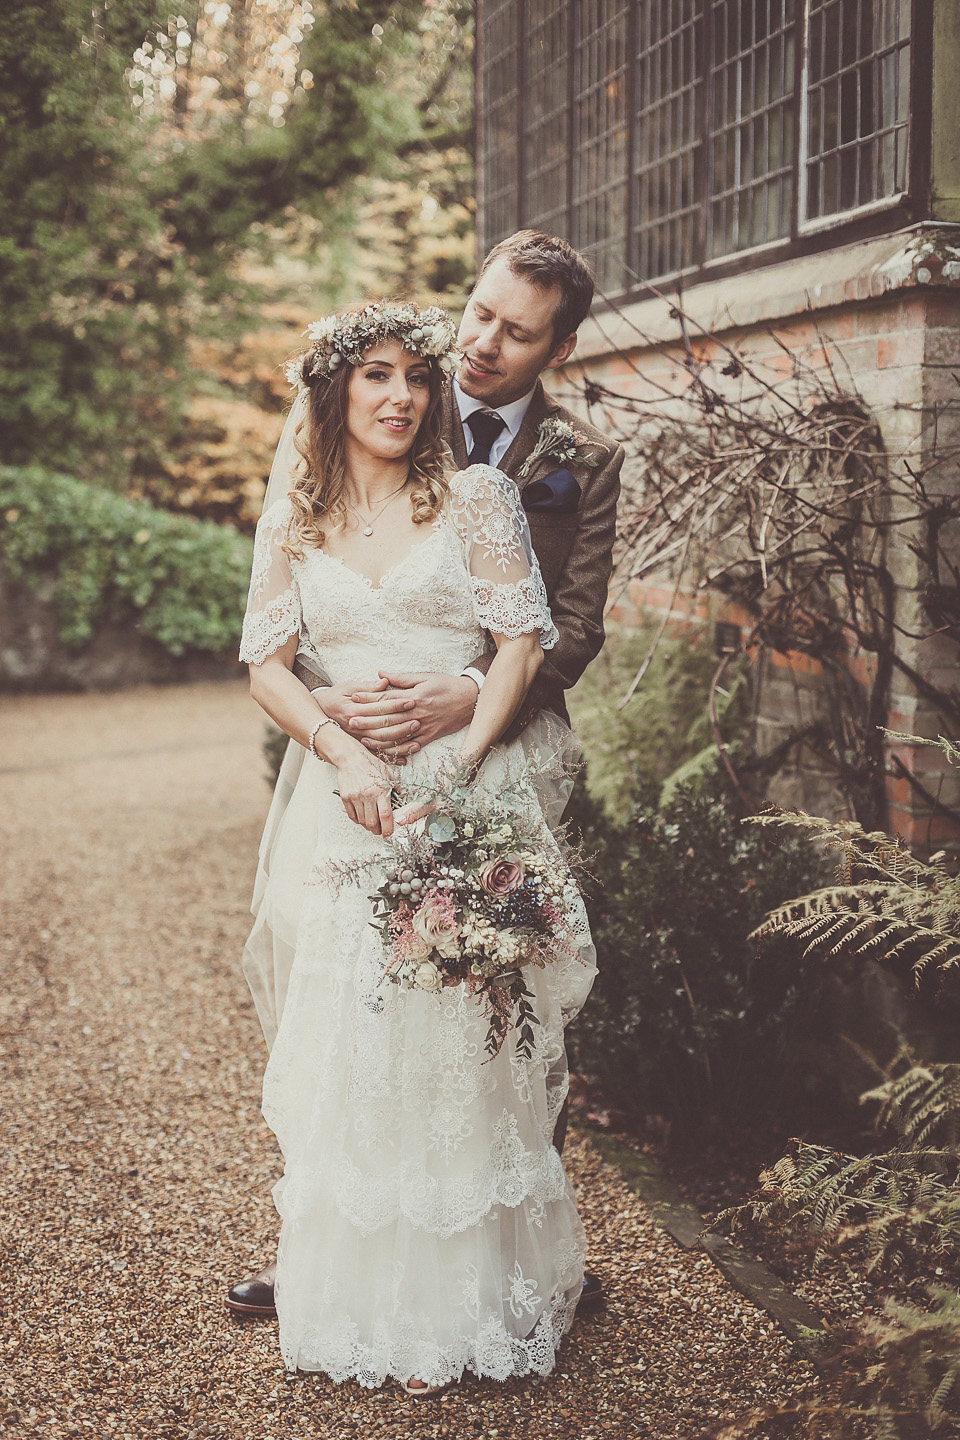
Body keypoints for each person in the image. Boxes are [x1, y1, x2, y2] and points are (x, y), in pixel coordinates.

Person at [228, 232, 624, 1320]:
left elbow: (565, 628)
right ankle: (332, 1242)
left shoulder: (575, 459)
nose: (482, 344)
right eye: (480, 315)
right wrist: (338, 716)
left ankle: (510, 1240)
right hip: (360, 756)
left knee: (494, 991)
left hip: (498, 745)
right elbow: (302, 607)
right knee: (351, 1001)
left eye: (516, 331)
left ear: (559, 346)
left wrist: (467, 701)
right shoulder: (396, 393)